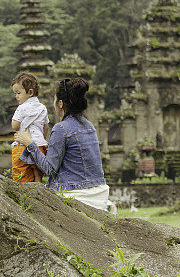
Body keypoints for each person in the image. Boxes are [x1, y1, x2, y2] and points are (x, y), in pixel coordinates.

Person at [15, 77, 114, 213]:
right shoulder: (88, 125)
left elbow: (49, 169)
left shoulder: (61, 128)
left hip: (76, 194)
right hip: (100, 193)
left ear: (60, 103)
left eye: (55, 100)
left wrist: (30, 143)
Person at [11, 72, 49, 183]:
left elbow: (15, 126)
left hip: (22, 146)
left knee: (21, 172)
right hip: (40, 146)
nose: (16, 96)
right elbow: (45, 127)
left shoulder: (21, 108)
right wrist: (42, 139)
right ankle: (37, 182)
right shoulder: (43, 108)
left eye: (18, 93)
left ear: (30, 92)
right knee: (37, 168)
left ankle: (24, 191)